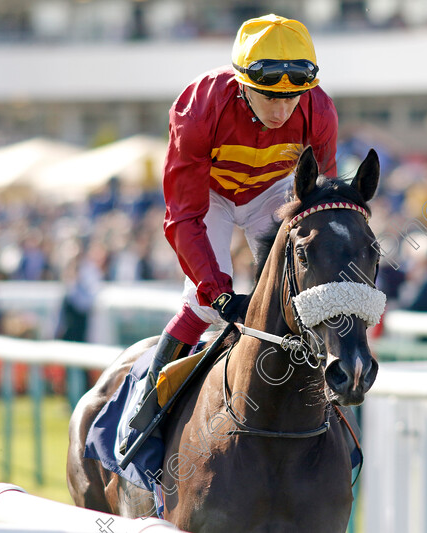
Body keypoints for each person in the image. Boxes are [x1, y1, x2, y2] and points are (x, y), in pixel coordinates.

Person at [126, 14, 338, 429]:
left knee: (298, 292)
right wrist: (218, 292)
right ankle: (146, 417)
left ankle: (326, 405)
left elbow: (320, 204)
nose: (281, 109)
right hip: (211, 193)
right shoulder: (198, 105)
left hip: (273, 191)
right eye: (269, 97)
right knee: (204, 304)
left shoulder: (320, 109)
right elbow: (183, 215)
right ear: (242, 84)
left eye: (292, 98)